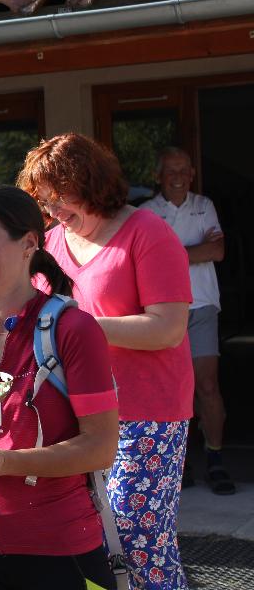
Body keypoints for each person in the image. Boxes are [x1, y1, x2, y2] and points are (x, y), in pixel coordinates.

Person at [18, 134, 193, 590]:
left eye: (61, 197)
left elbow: (168, 328)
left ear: (91, 183)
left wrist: (81, 325)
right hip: (75, 411)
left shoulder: (149, 232)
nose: (53, 210)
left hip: (146, 410)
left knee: (138, 540)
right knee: (89, 538)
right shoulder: (51, 244)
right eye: (44, 200)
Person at [0, 187, 119, 589]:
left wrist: (4, 462)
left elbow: (101, 447)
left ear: (29, 242)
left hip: (58, 547)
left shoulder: (73, 329)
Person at [142, 147, 234, 495]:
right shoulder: (147, 212)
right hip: (160, 309)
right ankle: (179, 461)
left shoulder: (204, 204)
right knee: (169, 389)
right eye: (170, 170)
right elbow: (148, 262)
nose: (178, 176)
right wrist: (194, 251)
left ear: (192, 174)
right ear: (158, 176)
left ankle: (215, 458)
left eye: (183, 170)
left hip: (203, 305)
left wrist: (170, 253)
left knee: (207, 385)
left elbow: (218, 251)